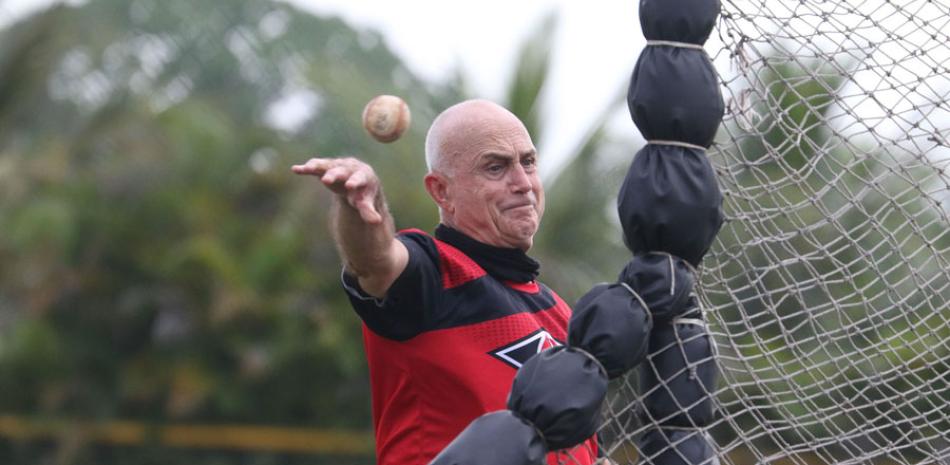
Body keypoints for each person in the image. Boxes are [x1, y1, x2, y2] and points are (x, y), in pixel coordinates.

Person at [292, 100, 597, 465]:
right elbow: (375, 262)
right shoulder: (435, 274)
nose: (523, 183)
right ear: (441, 191)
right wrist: (358, 208)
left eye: (528, 162)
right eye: (496, 167)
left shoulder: (558, 311)